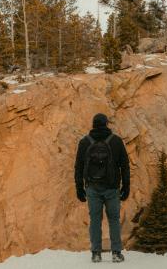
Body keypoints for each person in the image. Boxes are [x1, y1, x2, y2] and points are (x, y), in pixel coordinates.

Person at [74, 113, 130, 263]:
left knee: (95, 220)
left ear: (93, 124)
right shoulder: (116, 141)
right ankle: (116, 253)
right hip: (112, 188)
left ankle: (96, 253)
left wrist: (79, 188)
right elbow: (124, 166)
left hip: (92, 188)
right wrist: (126, 187)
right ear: (106, 124)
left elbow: (78, 167)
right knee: (113, 219)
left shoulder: (85, 142)